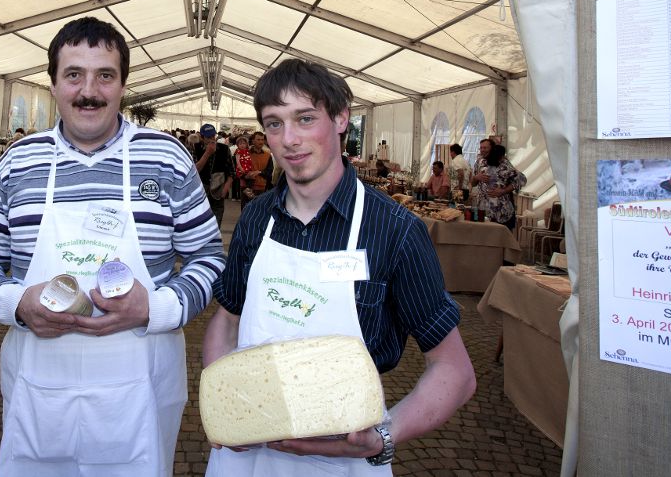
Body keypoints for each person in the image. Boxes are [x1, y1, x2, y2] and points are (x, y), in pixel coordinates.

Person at [0, 16, 225, 477]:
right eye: (74, 74)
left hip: (140, 375)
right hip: (40, 376)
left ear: (123, 85)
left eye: (105, 75)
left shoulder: (165, 157)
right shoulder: (19, 162)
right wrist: (17, 301)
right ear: (54, 84)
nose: (89, 90)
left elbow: (210, 258)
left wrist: (157, 308)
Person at [203, 58, 475, 475]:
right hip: (246, 455)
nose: (289, 139)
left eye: (305, 118)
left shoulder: (395, 230)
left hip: (345, 461)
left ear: (341, 118)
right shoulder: (257, 218)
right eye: (274, 124)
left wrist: (385, 435)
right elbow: (227, 318)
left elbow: (454, 370)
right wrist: (223, 405)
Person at [473, 142, 523, 232]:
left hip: (501, 211)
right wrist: (477, 177)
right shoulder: (480, 162)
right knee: (483, 238)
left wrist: (503, 191)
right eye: (481, 148)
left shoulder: (504, 163)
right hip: (483, 209)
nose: (482, 150)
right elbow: (472, 183)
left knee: (502, 239)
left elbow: (521, 179)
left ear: (492, 149)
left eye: (485, 148)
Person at [193, 123, 234, 225]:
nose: (212, 139)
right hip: (201, 191)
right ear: (202, 137)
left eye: (213, 136)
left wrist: (226, 188)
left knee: (216, 224)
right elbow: (194, 171)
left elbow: (232, 172)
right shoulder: (196, 148)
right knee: (200, 223)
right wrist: (207, 153)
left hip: (218, 189)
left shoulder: (224, 149)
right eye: (208, 137)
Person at [242, 130, 273, 204]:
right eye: (258, 139)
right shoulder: (245, 154)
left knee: (260, 212)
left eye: (262, 140)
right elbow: (239, 170)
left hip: (262, 188)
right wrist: (246, 175)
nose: (261, 142)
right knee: (246, 211)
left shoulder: (267, 155)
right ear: (253, 141)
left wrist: (259, 172)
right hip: (247, 188)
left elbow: (269, 172)